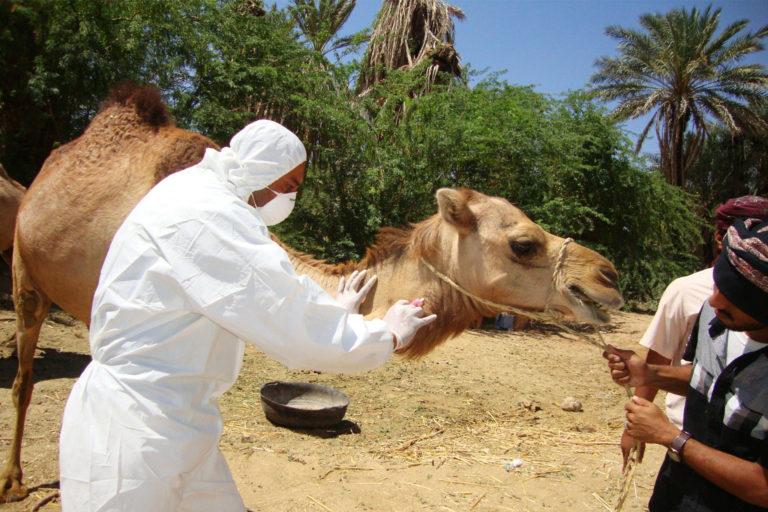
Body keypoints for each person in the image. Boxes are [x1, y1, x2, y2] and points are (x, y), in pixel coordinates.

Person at [58, 120, 437, 511]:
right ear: (261, 171)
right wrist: (384, 334)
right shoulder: (207, 215)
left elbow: (267, 292)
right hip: (135, 429)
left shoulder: (202, 195)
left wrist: (334, 313)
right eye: (288, 186)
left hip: (179, 420)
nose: (291, 197)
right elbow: (282, 312)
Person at [604, 218, 768, 511]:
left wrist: (671, 437)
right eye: (718, 285)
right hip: (675, 490)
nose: (714, 301)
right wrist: (650, 373)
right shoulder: (714, 313)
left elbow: (763, 488)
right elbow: (712, 377)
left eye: (732, 296)